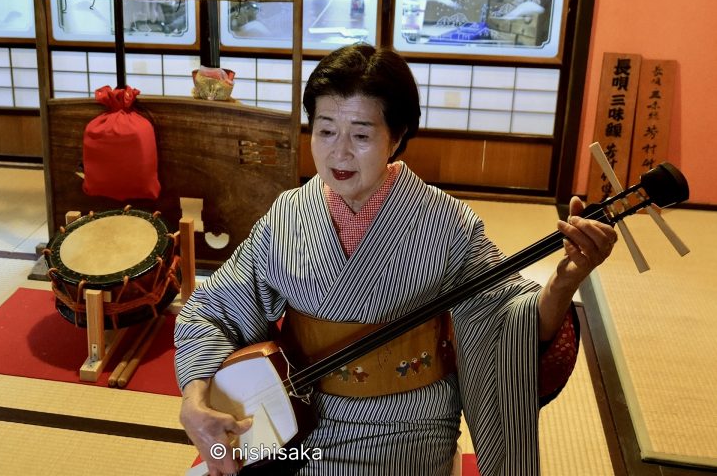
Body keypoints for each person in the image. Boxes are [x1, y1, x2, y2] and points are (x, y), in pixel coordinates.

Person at [174, 43, 617, 476]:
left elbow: (509, 322)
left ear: (397, 137)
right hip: (296, 423)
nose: (339, 152)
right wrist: (194, 399)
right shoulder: (288, 214)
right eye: (326, 130)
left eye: (361, 135)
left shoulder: (447, 223)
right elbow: (211, 312)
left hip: (407, 426)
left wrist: (563, 283)